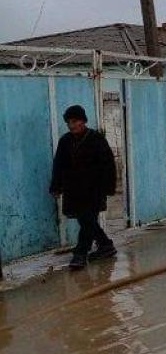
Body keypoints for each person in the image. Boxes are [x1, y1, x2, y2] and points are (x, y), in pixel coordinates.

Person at [49, 104, 117, 270]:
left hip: (94, 189)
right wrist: (56, 186)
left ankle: (80, 254)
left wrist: (108, 187)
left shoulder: (96, 139)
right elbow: (59, 165)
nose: (71, 125)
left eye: (74, 121)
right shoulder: (65, 141)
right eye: (69, 122)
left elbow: (108, 164)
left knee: (87, 220)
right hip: (74, 190)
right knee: (86, 220)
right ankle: (105, 245)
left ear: (82, 121)